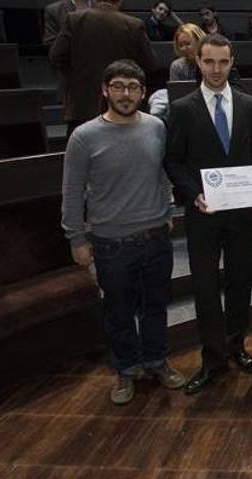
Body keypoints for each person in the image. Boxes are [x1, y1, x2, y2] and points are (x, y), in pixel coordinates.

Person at [61, 59, 185, 405]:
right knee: (118, 311)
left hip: (155, 236)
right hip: (110, 242)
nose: (125, 94)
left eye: (132, 88)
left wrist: (168, 206)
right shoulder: (84, 137)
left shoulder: (156, 128)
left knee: (156, 306)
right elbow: (72, 193)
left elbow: (162, 173)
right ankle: (126, 371)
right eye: (118, 86)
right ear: (105, 90)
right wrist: (76, 239)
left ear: (143, 93)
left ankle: (157, 361)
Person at [164, 34, 252, 394]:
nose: (217, 69)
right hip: (203, 215)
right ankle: (212, 359)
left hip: (241, 214)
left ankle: (237, 347)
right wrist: (194, 195)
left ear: (232, 60)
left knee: (240, 282)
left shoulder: (251, 105)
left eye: (223, 62)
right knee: (205, 287)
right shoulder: (182, 108)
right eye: (209, 62)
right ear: (198, 63)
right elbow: (173, 161)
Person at [49, 0, 155, 137]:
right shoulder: (134, 25)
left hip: (82, 104)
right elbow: (150, 64)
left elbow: (56, 56)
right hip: (122, 107)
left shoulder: (75, 19)